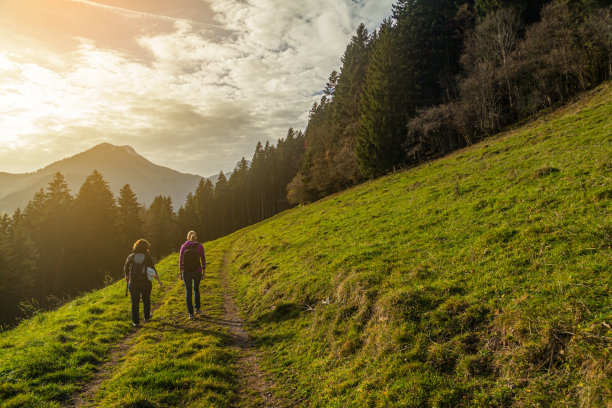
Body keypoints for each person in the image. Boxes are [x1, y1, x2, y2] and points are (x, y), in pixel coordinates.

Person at [124, 239, 162, 327]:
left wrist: (127, 276)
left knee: (135, 302)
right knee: (146, 300)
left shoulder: (131, 256)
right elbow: (153, 270)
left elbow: (126, 267)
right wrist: (158, 281)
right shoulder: (147, 257)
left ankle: (136, 322)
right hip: (145, 282)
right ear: (146, 248)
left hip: (133, 283)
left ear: (135, 246)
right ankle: (147, 317)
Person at [179, 231, 206, 319]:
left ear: (188, 238)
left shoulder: (184, 246)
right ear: (196, 237)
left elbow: (180, 260)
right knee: (196, 289)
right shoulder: (200, 246)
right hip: (197, 270)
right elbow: (203, 258)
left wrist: (180, 272)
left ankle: (190, 314)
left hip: (186, 272)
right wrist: (203, 272)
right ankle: (197, 308)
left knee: (188, 291)